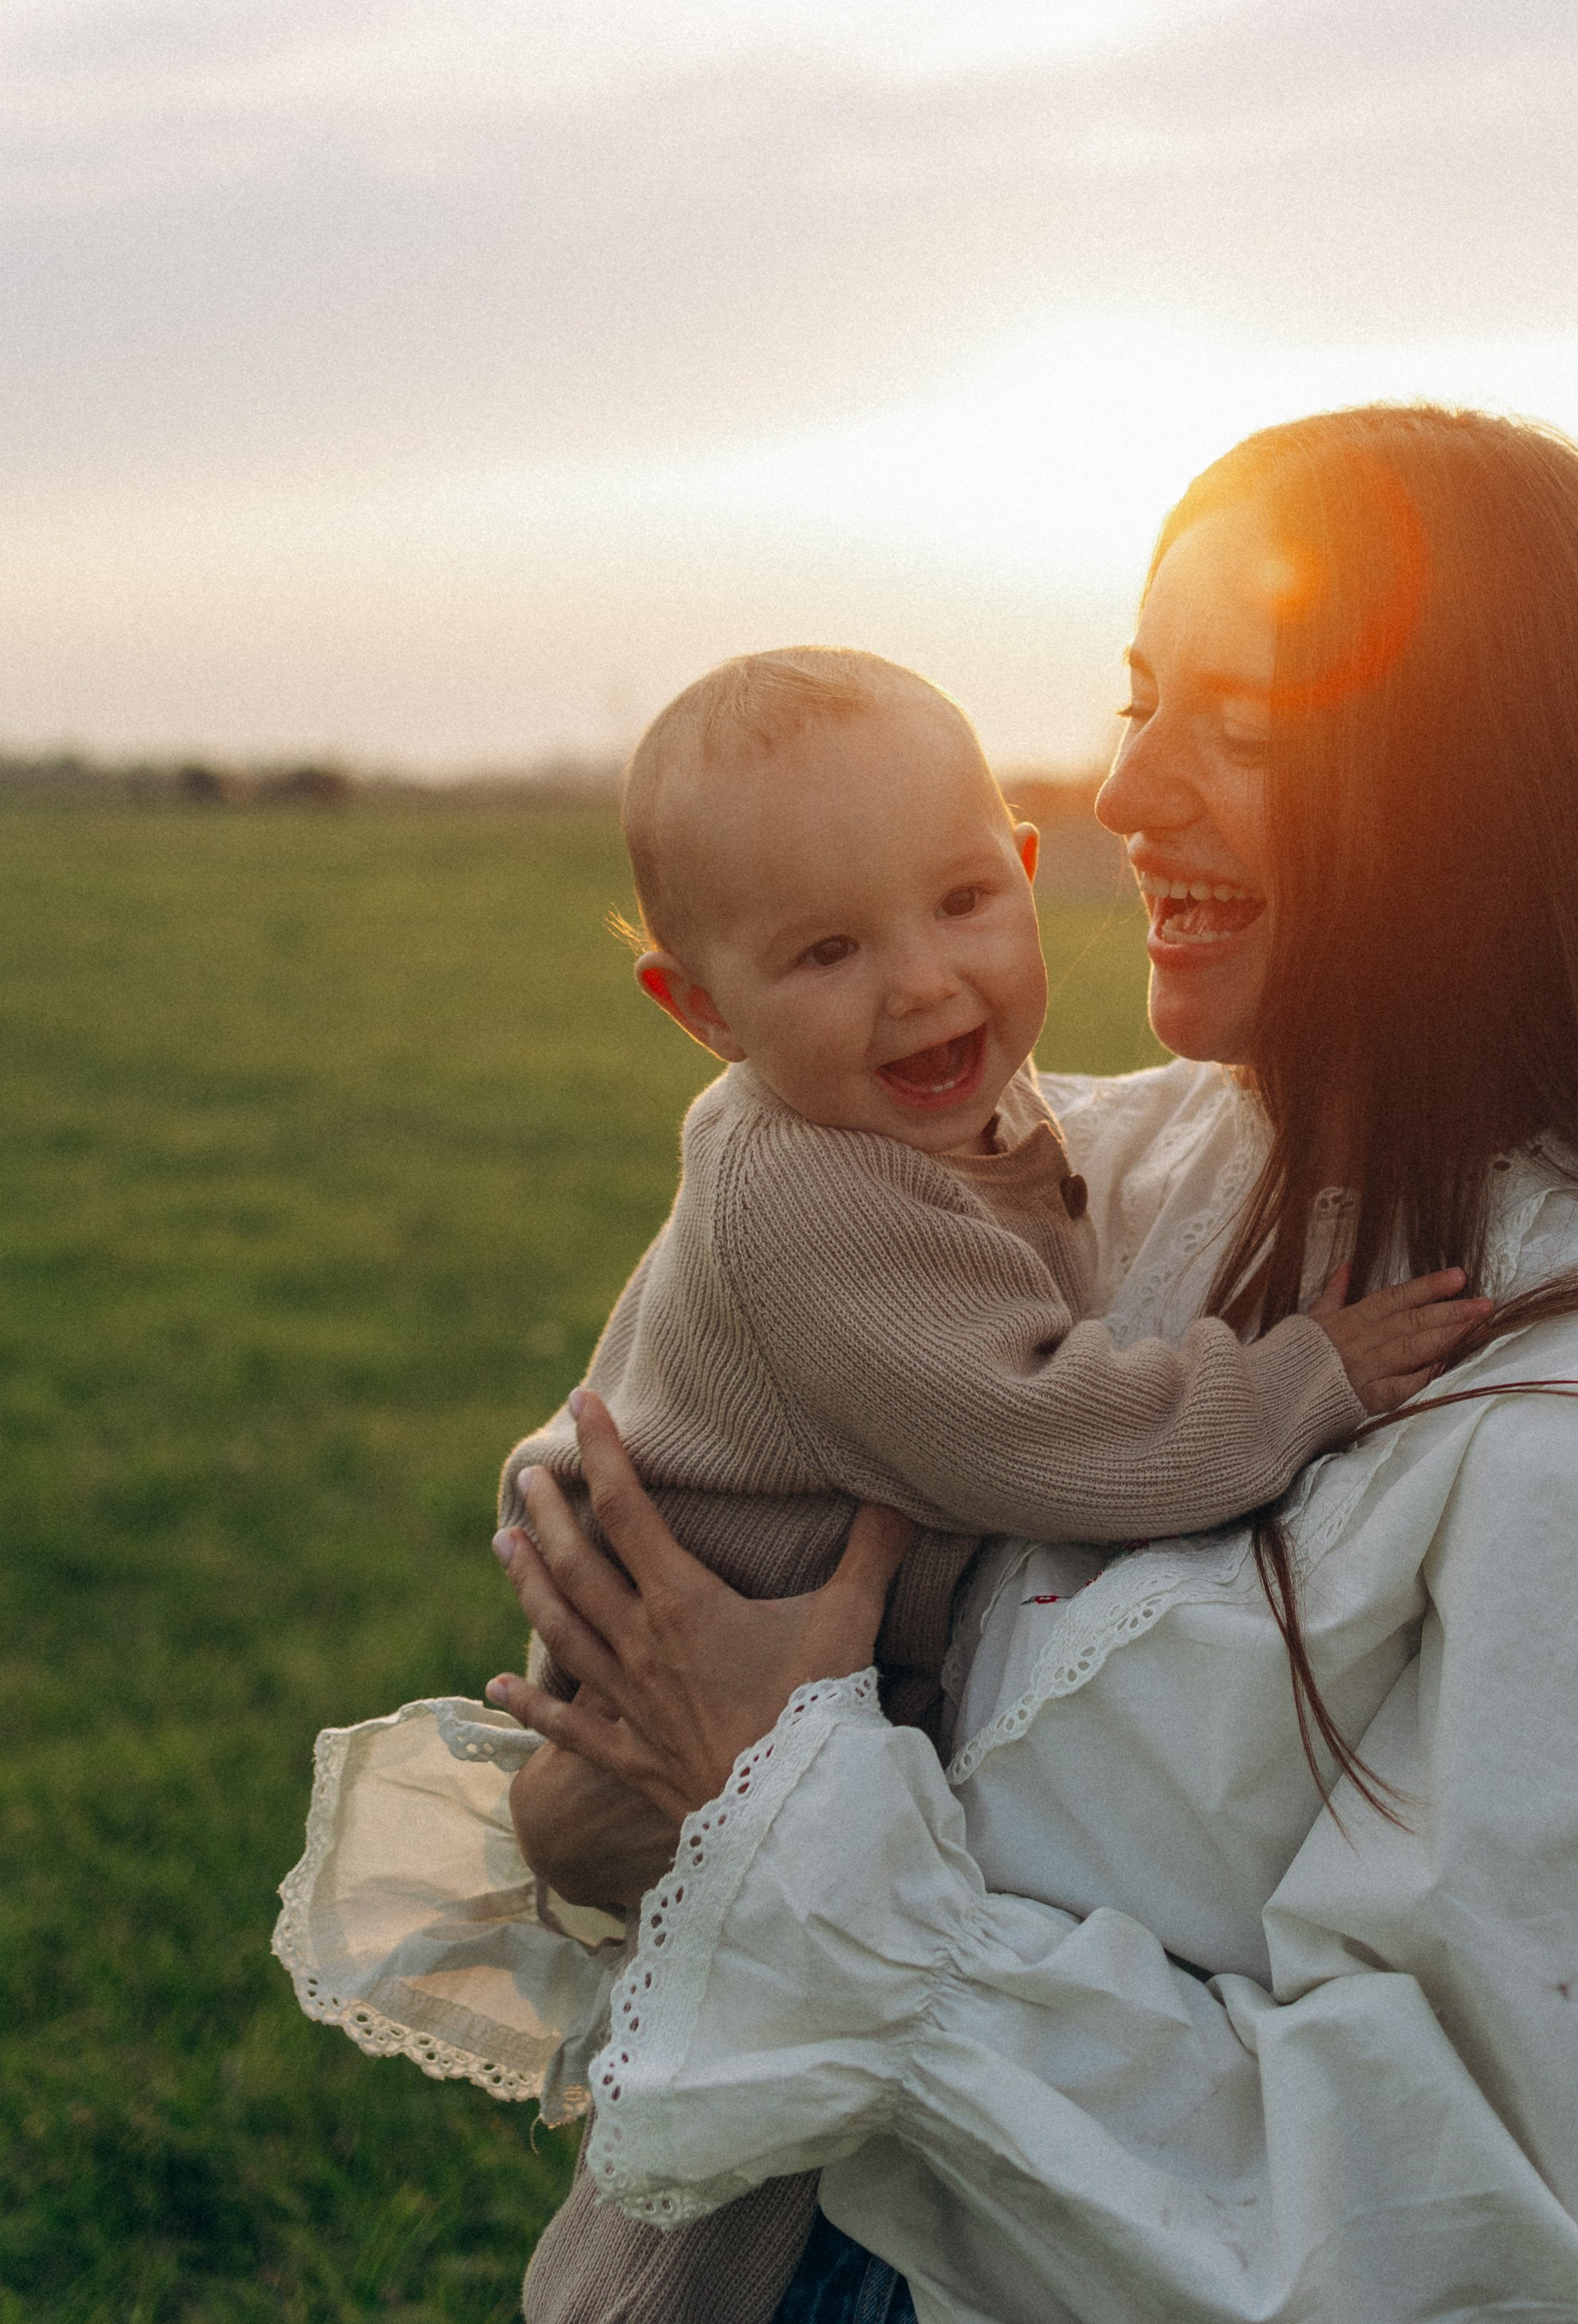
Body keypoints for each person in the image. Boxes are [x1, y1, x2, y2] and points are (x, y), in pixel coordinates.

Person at [490, 404, 1578, 2324]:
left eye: (1241, 724)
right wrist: (612, 1782)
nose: (1122, 796)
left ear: (1469, 795)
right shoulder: (1085, 1166)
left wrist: (763, 1799)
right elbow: (656, 1501)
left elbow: (1445, 2228)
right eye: (1141, 697)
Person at [275, 639, 1485, 2324]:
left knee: (777, 2073)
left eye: (961, 903)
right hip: (696, 1724)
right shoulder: (813, 1195)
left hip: (789, 1730)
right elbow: (1046, 1431)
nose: (921, 984)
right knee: (755, 2146)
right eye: (827, 951)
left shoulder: (940, 1126)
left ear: (1023, 869)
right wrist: (1305, 1378)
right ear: (700, 1012)